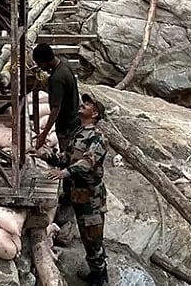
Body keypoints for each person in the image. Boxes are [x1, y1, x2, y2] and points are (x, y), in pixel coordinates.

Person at [43, 95, 109, 286]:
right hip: (78, 193)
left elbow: (88, 162)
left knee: (93, 237)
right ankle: (96, 271)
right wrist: (47, 156)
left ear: (94, 114)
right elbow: (68, 156)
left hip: (91, 197)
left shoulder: (98, 137)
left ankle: (100, 277)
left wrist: (65, 173)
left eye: (87, 104)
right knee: (87, 236)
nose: (82, 105)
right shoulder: (80, 132)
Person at [31, 43, 80, 154]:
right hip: (73, 121)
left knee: (67, 155)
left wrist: (44, 134)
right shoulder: (64, 67)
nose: (39, 67)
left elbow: (55, 109)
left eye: (40, 64)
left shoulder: (57, 79)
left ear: (45, 60)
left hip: (66, 126)